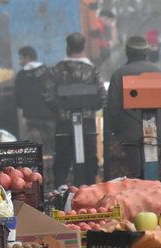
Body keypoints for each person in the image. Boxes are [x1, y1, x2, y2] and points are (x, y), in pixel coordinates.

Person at [44, 33, 107, 186]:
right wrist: (89, 109)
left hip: (64, 123)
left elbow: (47, 97)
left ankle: (61, 195)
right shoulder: (92, 71)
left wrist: (62, 110)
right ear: (84, 47)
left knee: (63, 162)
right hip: (87, 123)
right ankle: (90, 193)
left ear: (67, 48)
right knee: (90, 161)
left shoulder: (55, 71)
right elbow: (103, 97)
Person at [104, 36, 161, 180]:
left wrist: (118, 132)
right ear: (146, 52)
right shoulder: (159, 72)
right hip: (157, 133)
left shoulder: (119, 75)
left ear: (127, 52)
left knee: (137, 174)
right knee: (153, 173)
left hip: (130, 135)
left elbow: (112, 110)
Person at [14, 46, 54, 187]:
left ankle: (38, 178)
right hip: (49, 119)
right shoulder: (48, 72)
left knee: (36, 149)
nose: (20, 62)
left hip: (31, 119)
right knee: (50, 147)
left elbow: (18, 101)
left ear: (27, 57)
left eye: (21, 58)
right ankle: (52, 177)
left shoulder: (21, 76)